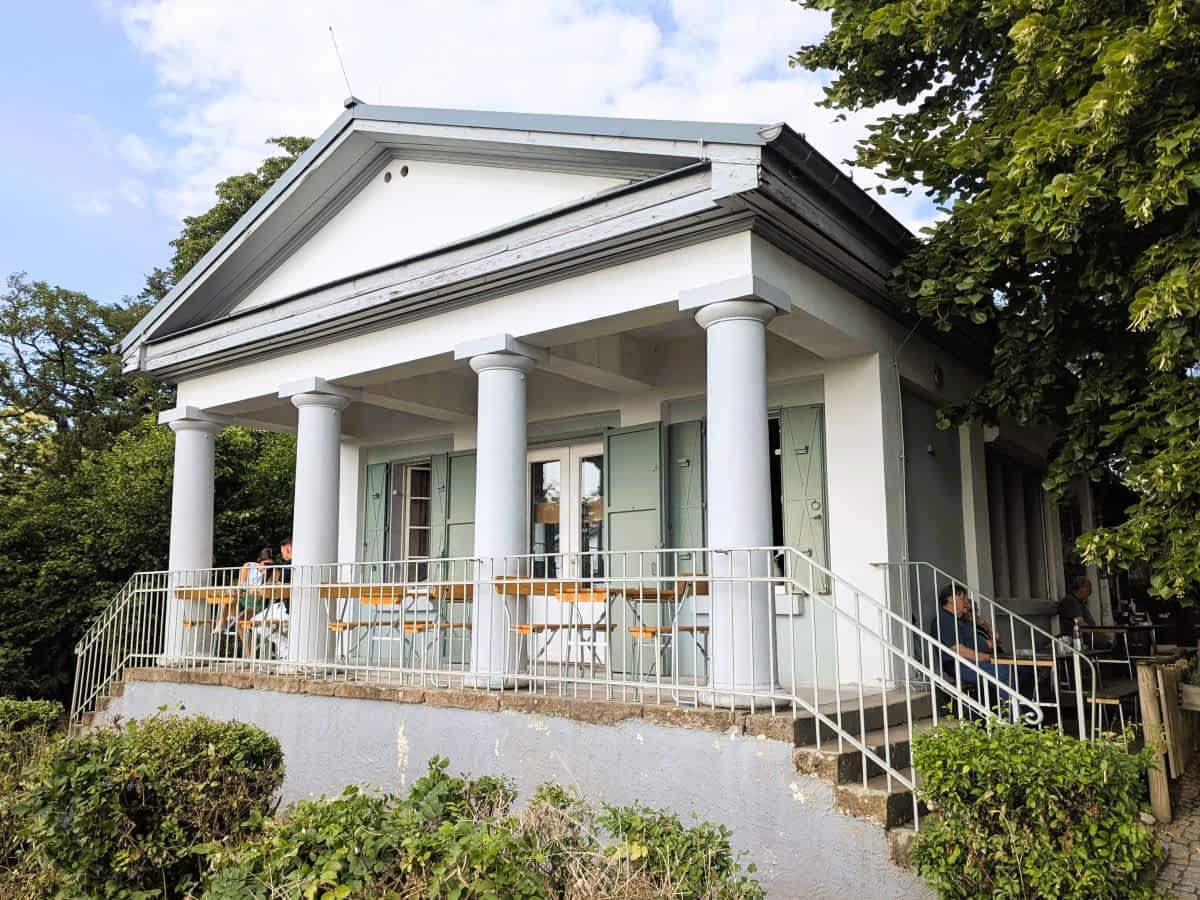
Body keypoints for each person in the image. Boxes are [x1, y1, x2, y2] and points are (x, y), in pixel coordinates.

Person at [928, 583, 1013, 691]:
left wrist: (982, 622)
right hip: (961, 664)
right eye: (962, 598)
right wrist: (988, 658)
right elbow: (960, 651)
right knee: (1002, 672)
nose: (966, 602)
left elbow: (993, 641)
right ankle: (1011, 706)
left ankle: (1020, 706)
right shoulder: (945, 620)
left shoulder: (961, 621)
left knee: (1017, 669)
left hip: (976, 660)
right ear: (950, 599)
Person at [1058, 576, 1113, 650]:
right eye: (1088, 589)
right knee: (1111, 646)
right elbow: (1081, 624)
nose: (1090, 592)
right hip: (1081, 639)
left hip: (1088, 637)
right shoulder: (1071, 601)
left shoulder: (1079, 602)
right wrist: (1099, 634)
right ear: (1081, 588)